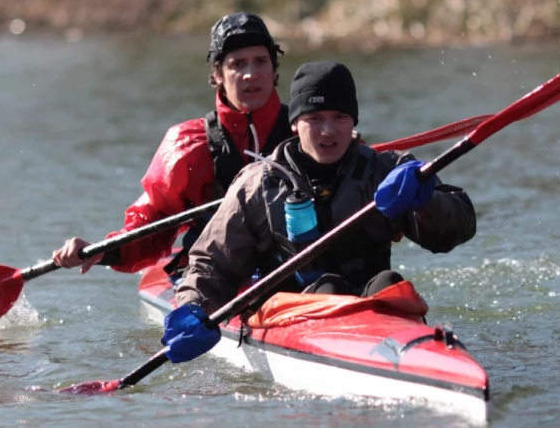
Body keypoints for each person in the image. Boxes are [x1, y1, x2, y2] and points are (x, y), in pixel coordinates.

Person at [161, 61, 477, 363]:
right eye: (315, 119)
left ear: (354, 121)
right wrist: (195, 308)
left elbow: (459, 229)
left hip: (379, 314)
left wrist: (426, 201)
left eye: (340, 117)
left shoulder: (387, 171)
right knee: (330, 289)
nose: (328, 131)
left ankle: (419, 358)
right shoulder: (256, 184)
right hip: (291, 316)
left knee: (389, 282)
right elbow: (212, 265)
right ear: (295, 123)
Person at [52, 13, 293, 275]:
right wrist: (103, 250)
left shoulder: (307, 132)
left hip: (295, 270)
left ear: (273, 69)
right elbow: (151, 226)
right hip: (216, 275)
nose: (251, 74)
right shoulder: (189, 144)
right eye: (237, 64)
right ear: (218, 74)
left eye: (261, 62)